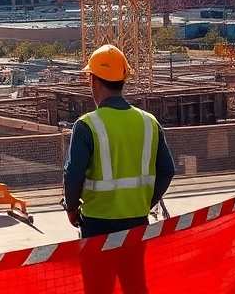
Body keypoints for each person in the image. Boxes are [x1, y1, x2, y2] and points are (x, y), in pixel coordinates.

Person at [64, 44, 177, 294]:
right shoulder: (149, 122)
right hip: (136, 220)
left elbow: (72, 175)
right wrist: (146, 202)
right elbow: (167, 170)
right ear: (123, 80)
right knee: (135, 286)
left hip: (97, 224)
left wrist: (71, 208)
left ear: (94, 81)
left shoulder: (87, 125)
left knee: (98, 288)